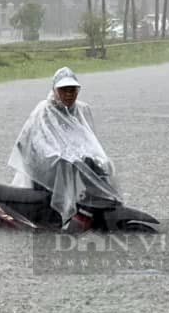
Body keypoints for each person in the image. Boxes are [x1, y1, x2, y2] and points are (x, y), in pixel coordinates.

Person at [7, 67, 121, 227]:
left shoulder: (81, 109)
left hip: (70, 162)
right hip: (42, 167)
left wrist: (94, 156)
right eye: (64, 90)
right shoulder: (44, 110)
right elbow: (38, 142)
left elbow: (89, 138)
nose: (69, 94)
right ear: (54, 90)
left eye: (73, 90)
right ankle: (57, 222)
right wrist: (59, 155)